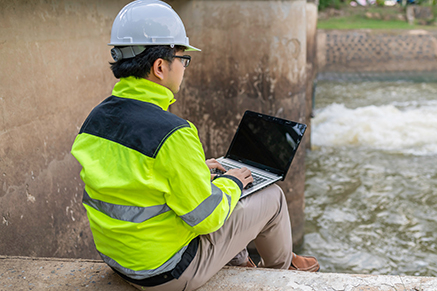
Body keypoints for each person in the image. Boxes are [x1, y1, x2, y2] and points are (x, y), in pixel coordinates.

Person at [70, 1, 319, 290]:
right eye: (182, 58)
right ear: (160, 66)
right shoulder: (174, 133)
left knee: (217, 190)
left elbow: (133, 180)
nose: (184, 67)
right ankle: (279, 274)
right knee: (271, 196)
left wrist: (197, 171)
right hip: (165, 273)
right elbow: (207, 218)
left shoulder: (96, 119)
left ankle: (242, 262)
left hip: (118, 260)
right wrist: (232, 182)